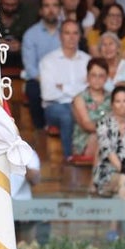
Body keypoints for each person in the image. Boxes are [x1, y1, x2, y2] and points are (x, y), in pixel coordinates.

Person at [39, 19, 90, 158]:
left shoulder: (88, 60)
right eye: (67, 33)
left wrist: (64, 87)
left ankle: (90, 156)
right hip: (55, 106)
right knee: (67, 116)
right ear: (60, 36)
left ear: (80, 36)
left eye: (75, 33)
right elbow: (48, 94)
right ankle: (70, 158)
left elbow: (92, 88)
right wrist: (79, 90)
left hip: (83, 104)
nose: (71, 37)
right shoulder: (48, 61)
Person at [20, 0, 63, 132]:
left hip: (65, 79)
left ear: (60, 9)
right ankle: (40, 131)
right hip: (39, 80)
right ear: (40, 10)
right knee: (33, 90)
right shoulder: (31, 34)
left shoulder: (68, 31)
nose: (51, 10)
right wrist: (50, 82)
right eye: (47, 6)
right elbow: (30, 68)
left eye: (55, 6)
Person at [92, 85, 125, 197]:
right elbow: (108, 152)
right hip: (108, 170)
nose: (122, 105)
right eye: (118, 101)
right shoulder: (103, 124)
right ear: (112, 104)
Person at [72, 58, 110, 159]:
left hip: (110, 137)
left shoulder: (112, 98)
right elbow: (87, 124)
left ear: (106, 78)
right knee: (96, 137)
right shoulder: (80, 98)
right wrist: (109, 129)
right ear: (88, 77)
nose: (97, 79)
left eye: (101, 76)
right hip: (86, 139)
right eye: (93, 75)